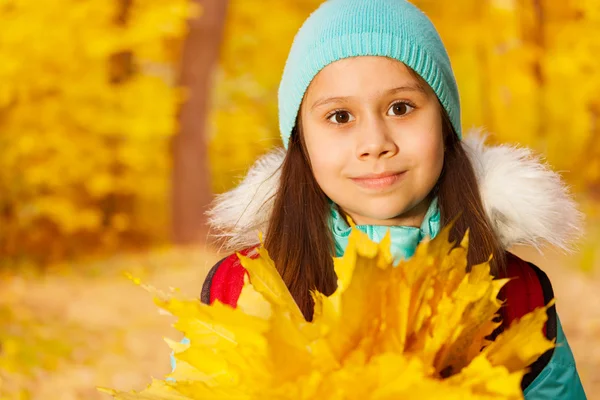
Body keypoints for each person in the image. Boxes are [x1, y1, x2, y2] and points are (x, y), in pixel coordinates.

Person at [183, 0, 587, 398]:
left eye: (401, 107)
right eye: (340, 116)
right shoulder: (238, 293)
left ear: (444, 125)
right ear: (301, 142)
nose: (374, 143)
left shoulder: (518, 296)